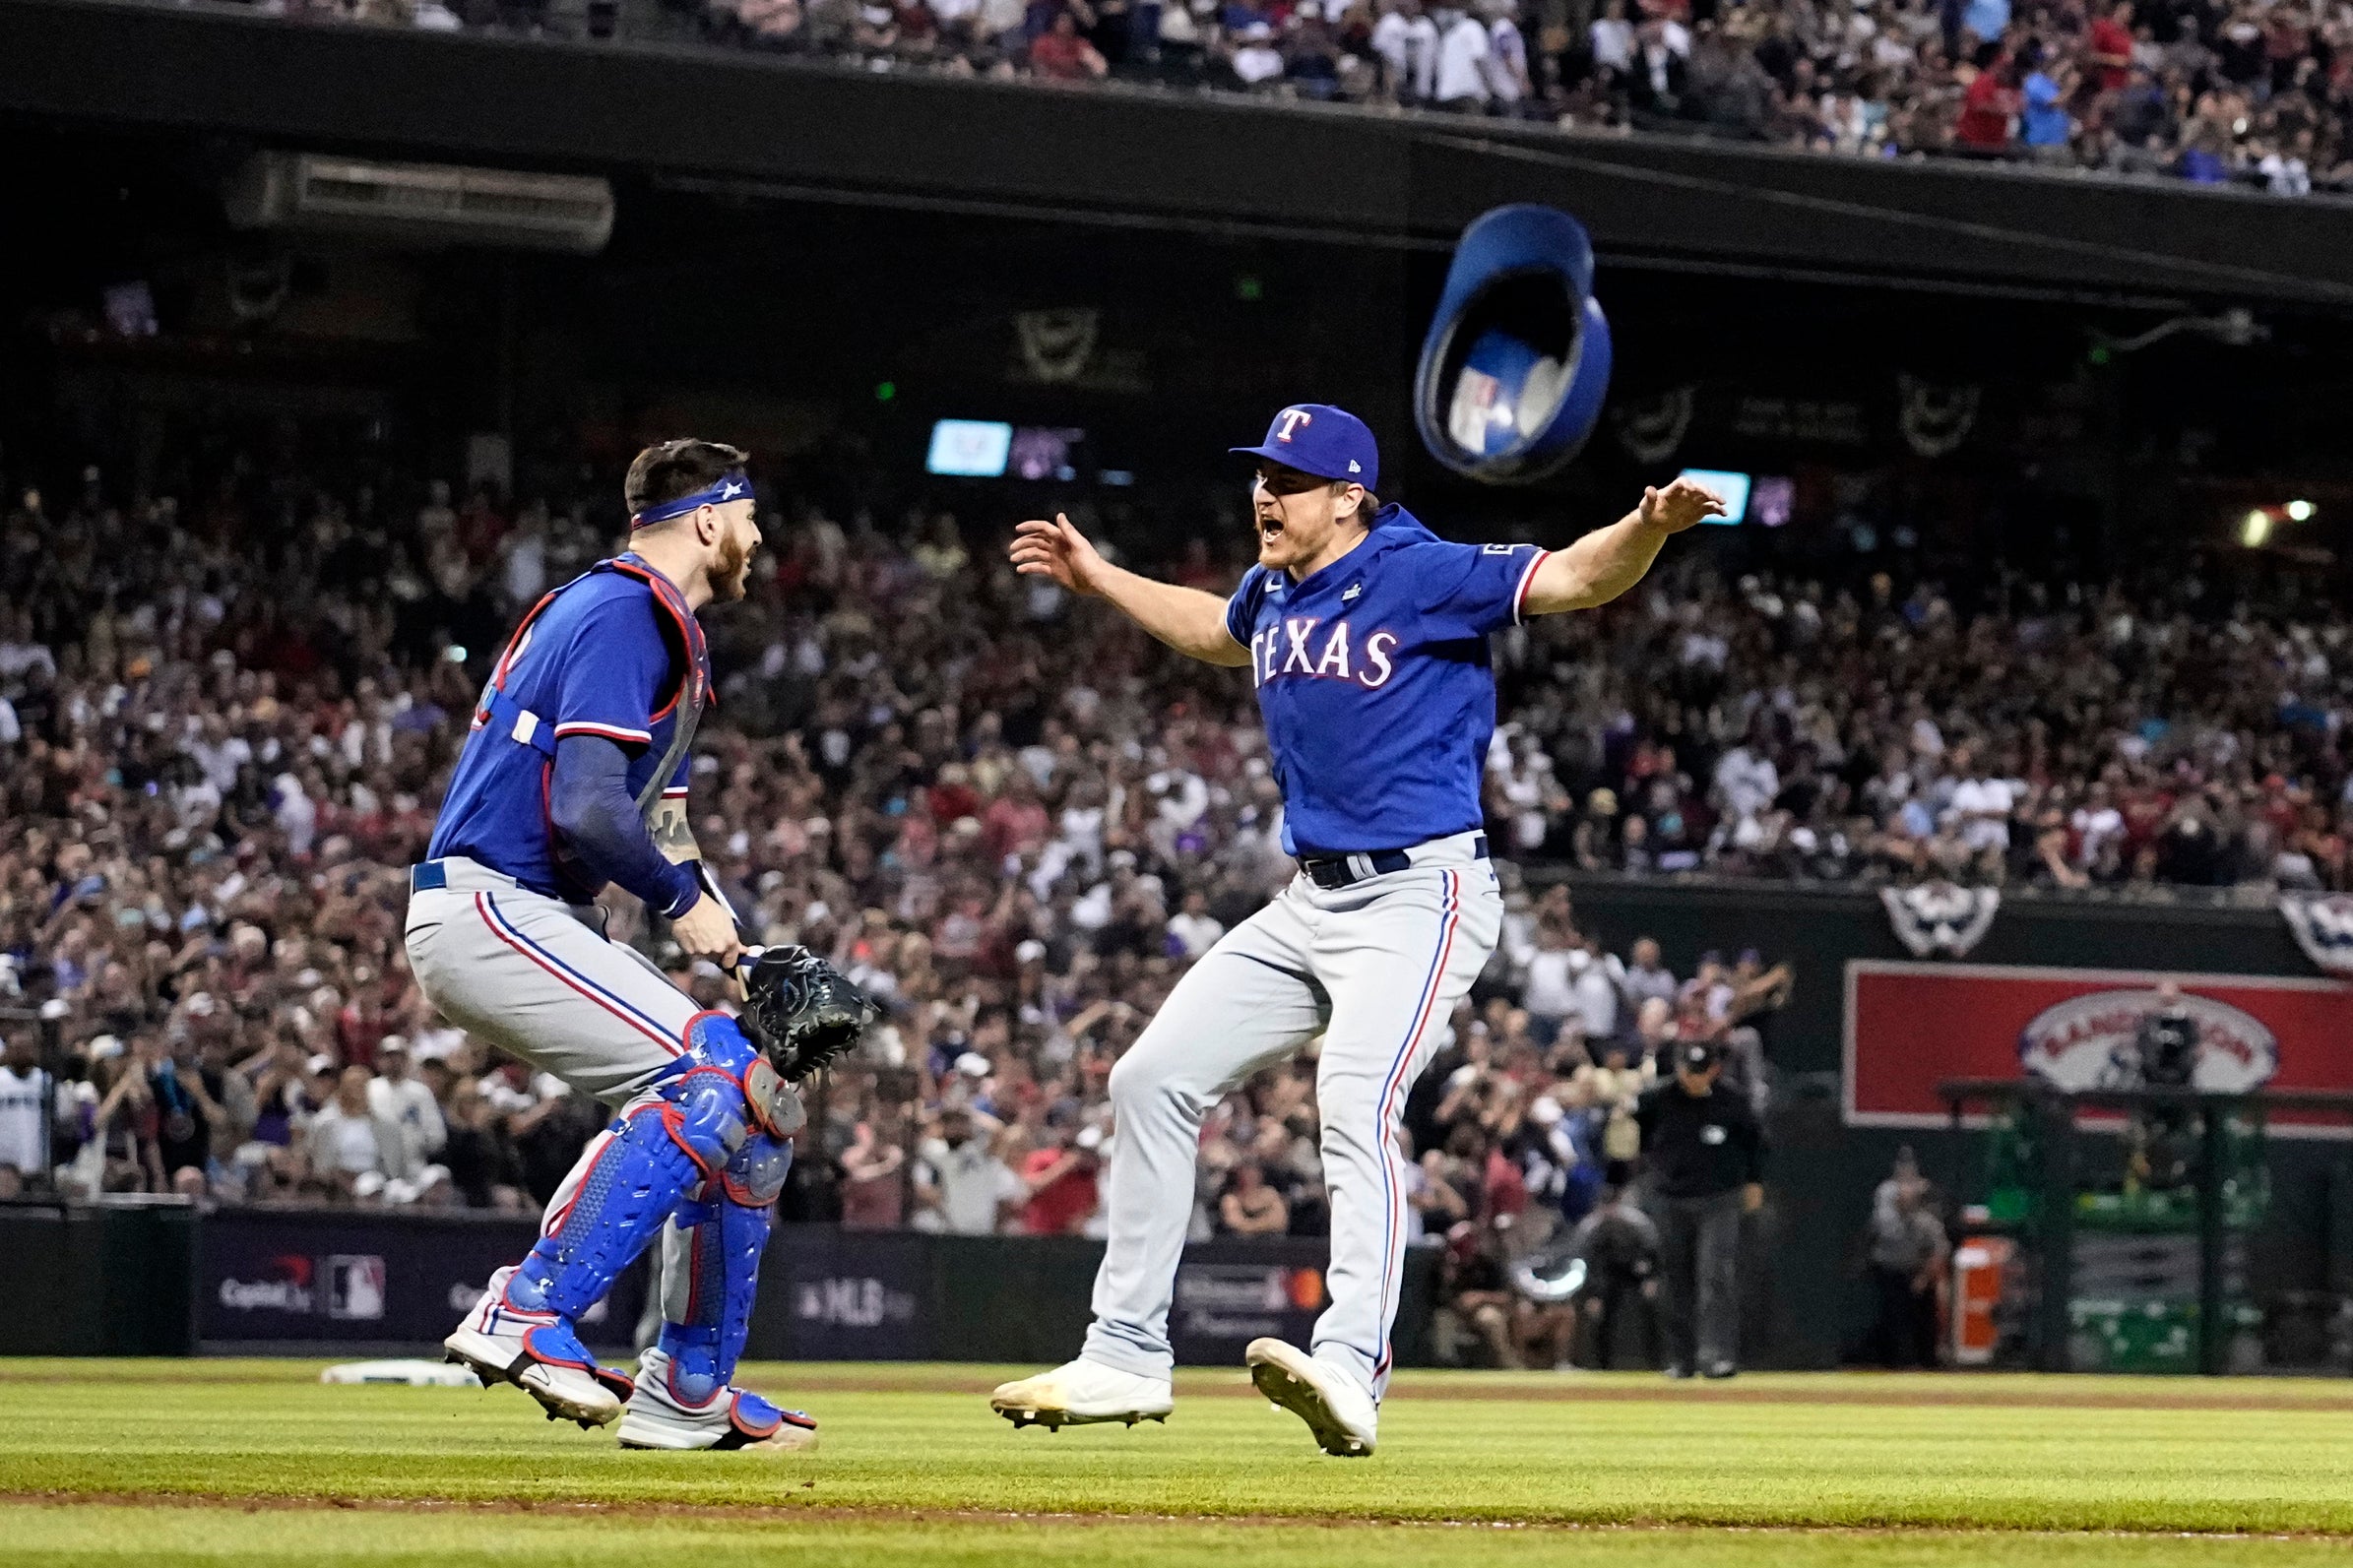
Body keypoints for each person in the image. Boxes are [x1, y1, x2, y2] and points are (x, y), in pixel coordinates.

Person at [990, 403, 1720, 1455]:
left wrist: (1644, 528)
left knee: (1354, 1097)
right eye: (1259, 478)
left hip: (1419, 895)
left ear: (1347, 496)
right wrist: (1098, 574)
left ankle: (1349, 1367)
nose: (1262, 495)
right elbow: (1213, 631)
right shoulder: (1276, 589)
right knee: (1147, 1080)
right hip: (1309, 900)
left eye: (1285, 481)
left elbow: (1569, 578)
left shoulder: (1419, 571)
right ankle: (1123, 1355)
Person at [408, 439, 866, 1453]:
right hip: (494, 902)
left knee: (757, 1109)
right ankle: (524, 1308)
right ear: (708, 518)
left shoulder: (658, 626)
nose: (758, 536)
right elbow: (583, 810)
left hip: (530, 910)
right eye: (749, 516)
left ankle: (686, 1390)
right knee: (708, 1078)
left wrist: (734, 950)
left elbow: (652, 820)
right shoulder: (626, 610)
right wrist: (674, 903)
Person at [1635, 1039, 1764, 1379]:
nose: (1693, 1079)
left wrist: (1754, 1182)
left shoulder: (1732, 1102)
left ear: (1714, 1070)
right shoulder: (1655, 1100)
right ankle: (1681, 1359)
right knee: (1675, 1278)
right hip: (1670, 1198)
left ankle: (1716, 1355)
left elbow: (1755, 1143)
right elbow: (1638, 1138)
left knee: (1714, 1275)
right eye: (1688, 1072)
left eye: (1700, 1073)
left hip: (1719, 1198)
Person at [1861, 1167, 1947, 1367]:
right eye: (1900, 1194)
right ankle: (1891, 1361)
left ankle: (1926, 1362)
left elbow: (1938, 1251)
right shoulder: (1883, 1220)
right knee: (1891, 1319)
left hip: (1916, 1275)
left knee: (1923, 1320)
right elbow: (1868, 1243)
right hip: (1888, 1276)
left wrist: (1924, 1278)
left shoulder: (1926, 1222)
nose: (1904, 1198)